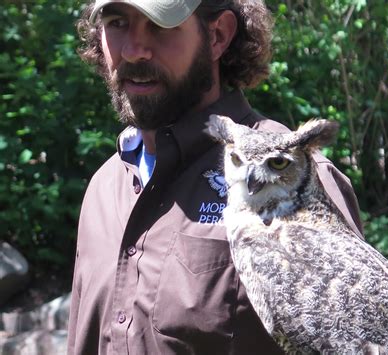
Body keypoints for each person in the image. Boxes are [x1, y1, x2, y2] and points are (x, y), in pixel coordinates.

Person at [67, 0, 364, 354]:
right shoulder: (103, 188)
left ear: (218, 35)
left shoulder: (293, 181)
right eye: (117, 23)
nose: (133, 51)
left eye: (159, 26)